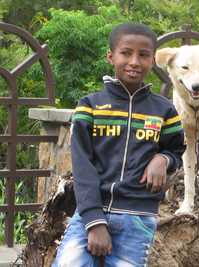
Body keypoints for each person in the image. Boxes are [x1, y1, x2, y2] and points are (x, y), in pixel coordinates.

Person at [52, 23, 185, 267]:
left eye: (143, 55)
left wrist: (163, 159)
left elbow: (176, 149)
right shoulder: (89, 106)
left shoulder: (164, 110)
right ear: (111, 56)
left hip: (137, 219)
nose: (134, 61)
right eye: (126, 53)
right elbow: (82, 165)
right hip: (90, 213)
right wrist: (94, 222)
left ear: (153, 60)